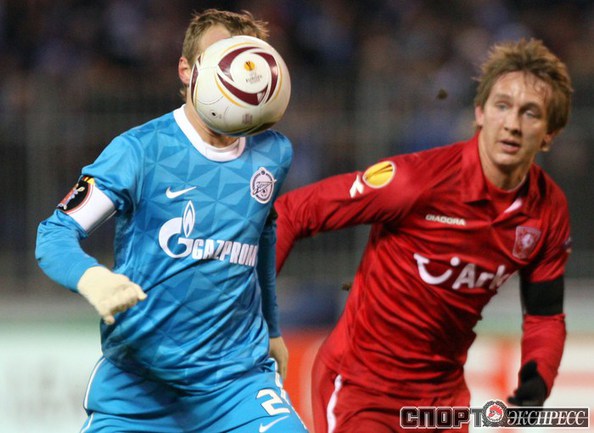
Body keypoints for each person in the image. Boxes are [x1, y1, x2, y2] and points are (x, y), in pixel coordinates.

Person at [275, 38, 573, 433]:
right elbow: (293, 212)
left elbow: (544, 316)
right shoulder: (415, 182)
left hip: (441, 402)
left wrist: (536, 385)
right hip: (362, 391)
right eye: (502, 106)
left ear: (550, 133)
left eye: (530, 112)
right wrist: (258, 314)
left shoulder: (547, 211)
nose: (512, 124)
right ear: (480, 113)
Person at [35, 8, 307, 433]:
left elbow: (261, 235)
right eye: (218, 57)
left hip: (236, 385)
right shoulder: (139, 151)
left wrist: (272, 328)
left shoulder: (273, 153)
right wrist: (92, 278)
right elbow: (54, 233)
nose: (233, 71)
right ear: (186, 70)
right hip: (139, 390)